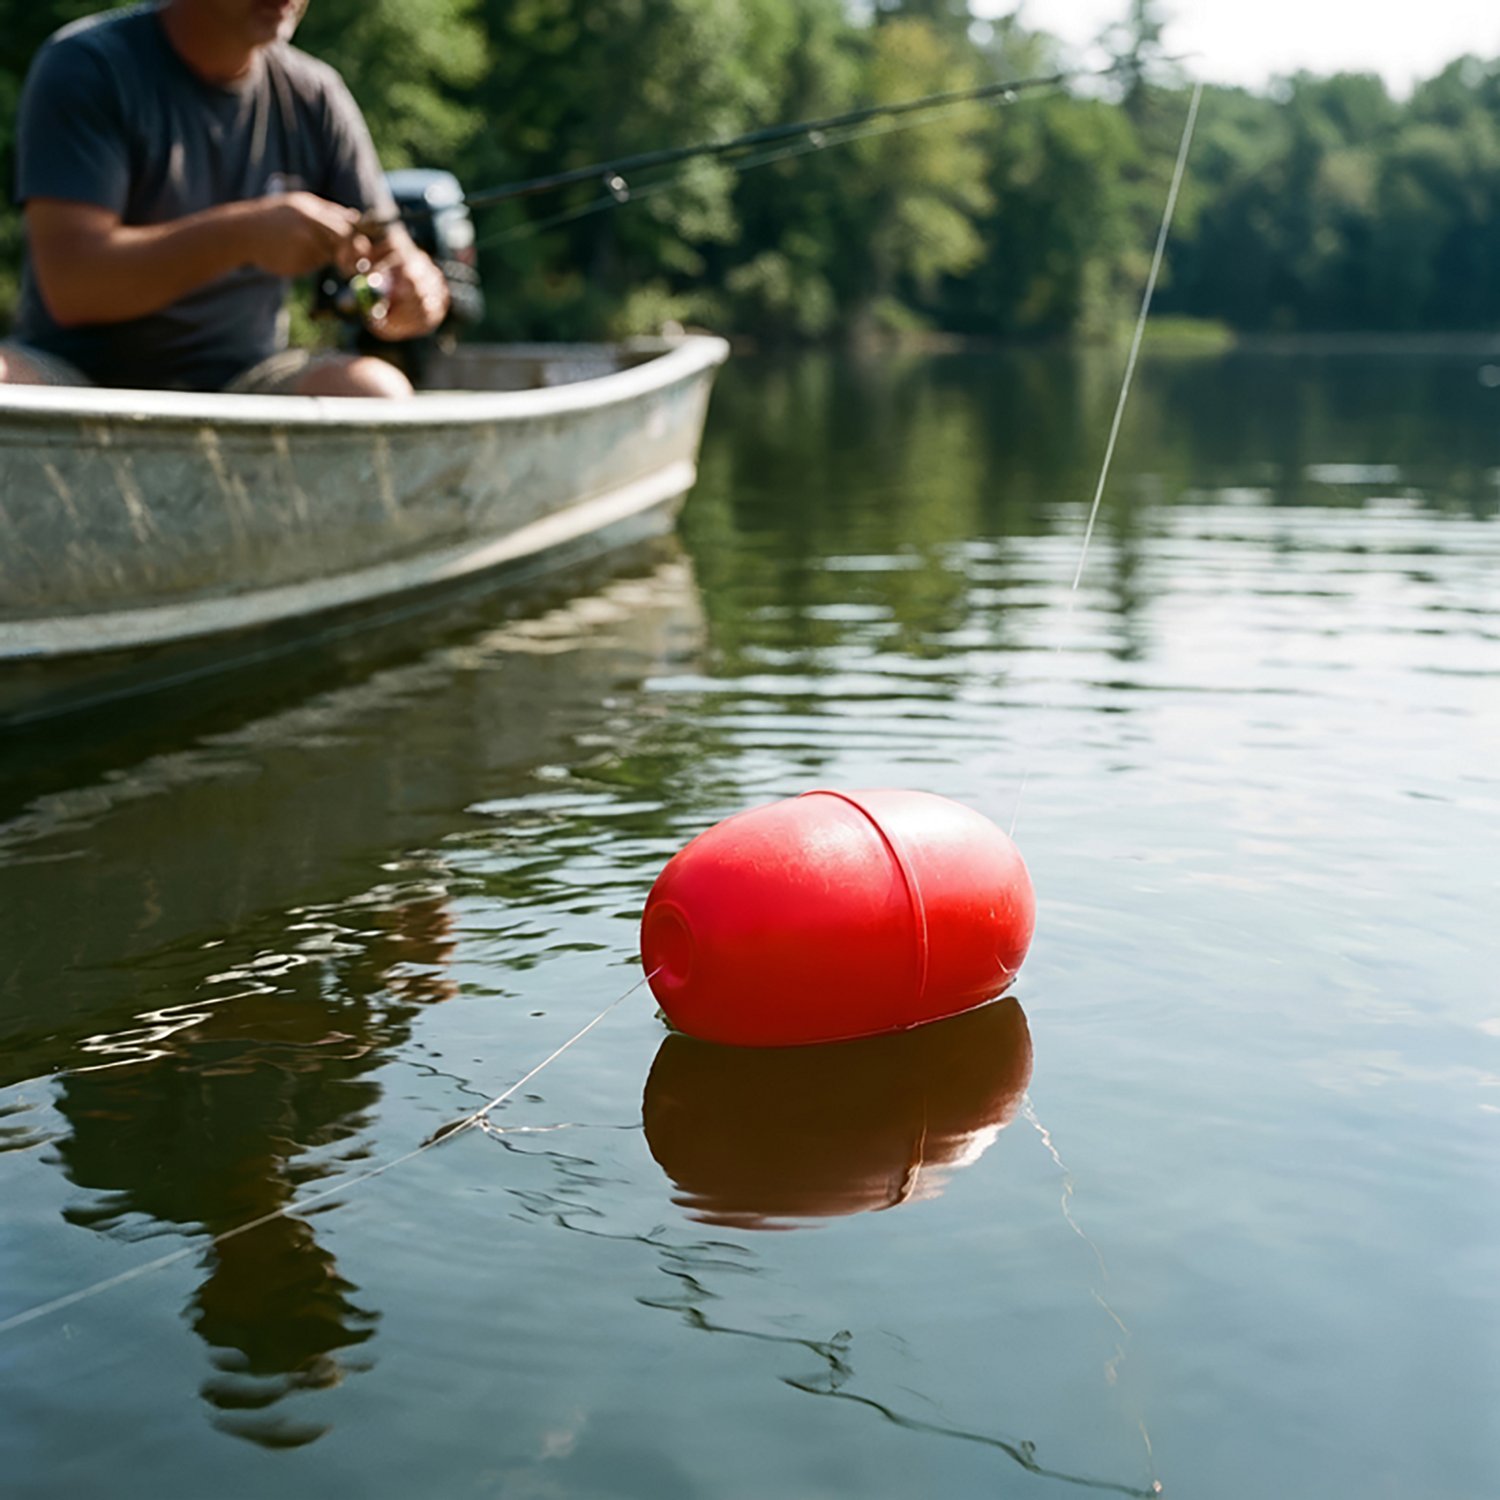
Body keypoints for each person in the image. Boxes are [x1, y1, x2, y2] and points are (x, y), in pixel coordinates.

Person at [0, 0, 449, 396]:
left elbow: (393, 254)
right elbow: (74, 287)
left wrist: (416, 290)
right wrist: (243, 235)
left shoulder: (316, 95)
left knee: (374, 391)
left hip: (245, 380)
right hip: (72, 375)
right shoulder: (87, 66)